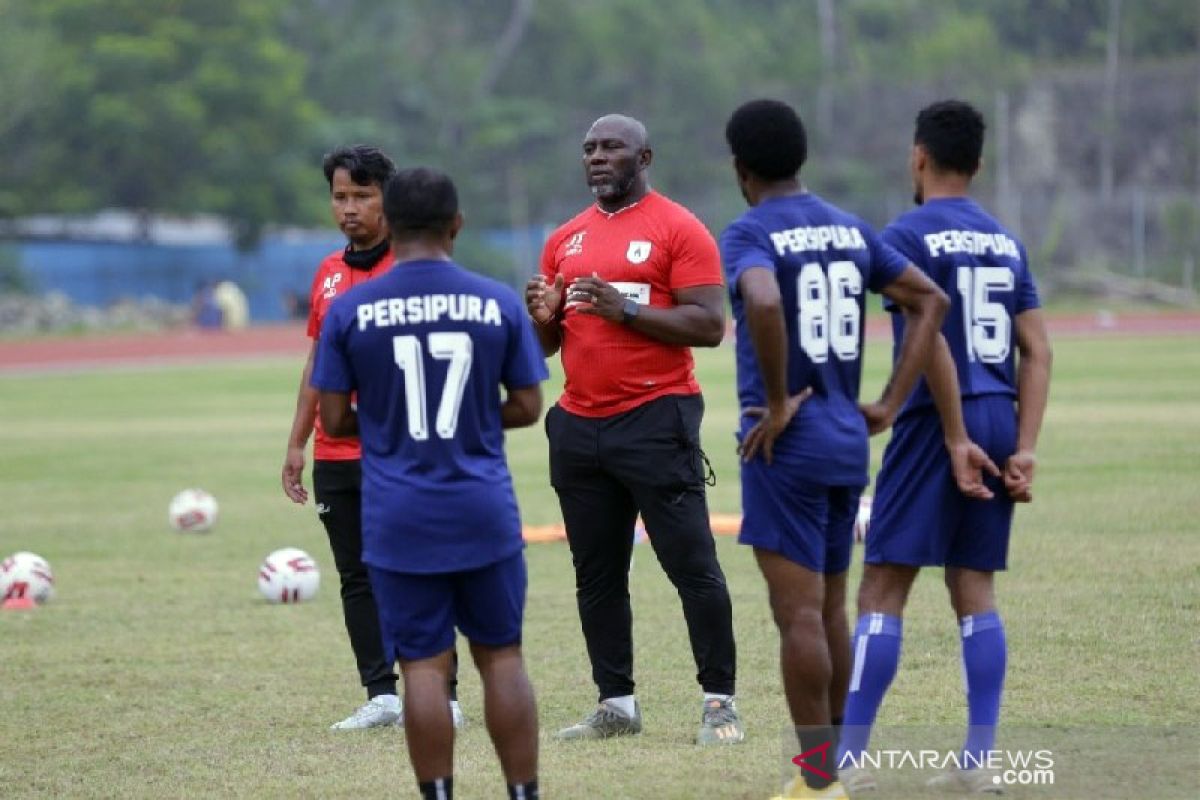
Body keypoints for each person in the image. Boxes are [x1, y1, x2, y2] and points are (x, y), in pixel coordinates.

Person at [720, 99, 951, 800]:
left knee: (797, 617)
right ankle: (847, 762)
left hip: (784, 445)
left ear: (741, 169)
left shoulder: (749, 230)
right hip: (848, 440)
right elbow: (929, 300)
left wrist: (784, 396)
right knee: (829, 610)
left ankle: (818, 782)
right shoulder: (850, 227)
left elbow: (761, 301)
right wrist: (887, 401)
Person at [836, 100, 1053, 795]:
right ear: (979, 164)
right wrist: (1025, 447)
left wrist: (955, 435)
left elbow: (929, 340)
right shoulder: (1003, 239)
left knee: (883, 583)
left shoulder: (905, 234)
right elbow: (1038, 350)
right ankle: (979, 761)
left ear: (918, 157)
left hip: (938, 421)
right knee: (973, 586)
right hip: (1000, 411)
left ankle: (844, 762)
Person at [312, 167, 547, 800]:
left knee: (421, 664)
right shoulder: (495, 301)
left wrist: (390, 425)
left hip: (398, 513)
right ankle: (522, 793)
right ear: (457, 225)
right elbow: (528, 404)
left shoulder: (352, 309)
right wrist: (472, 417)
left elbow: (332, 418)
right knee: (501, 656)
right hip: (483, 508)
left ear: (388, 222)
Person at [526, 113, 743, 746]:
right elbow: (544, 344)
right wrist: (541, 316)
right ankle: (616, 703)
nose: (597, 157)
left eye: (612, 147)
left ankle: (719, 703)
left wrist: (626, 308)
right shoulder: (564, 239)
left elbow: (708, 325)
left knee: (691, 566)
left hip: (656, 418)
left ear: (644, 157)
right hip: (580, 424)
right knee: (596, 573)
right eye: (589, 147)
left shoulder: (679, 229)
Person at [281, 145, 462, 730]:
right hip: (338, 453)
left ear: (390, 200)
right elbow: (317, 362)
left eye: (363, 196)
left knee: (423, 567)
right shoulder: (328, 273)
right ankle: (381, 693)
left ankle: (445, 695)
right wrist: (296, 442)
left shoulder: (412, 271)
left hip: (404, 450)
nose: (350, 208)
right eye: (340, 197)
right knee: (357, 576)